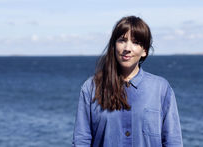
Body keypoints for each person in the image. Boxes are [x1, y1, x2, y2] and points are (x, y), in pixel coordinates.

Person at [72, 16, 183, 147]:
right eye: (122, 40)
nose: (127, 48)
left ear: (144, 51)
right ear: (114, 45)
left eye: (135, 42)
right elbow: (81, 140)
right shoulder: (91, 87)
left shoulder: (161, 89)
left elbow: (172, 141)